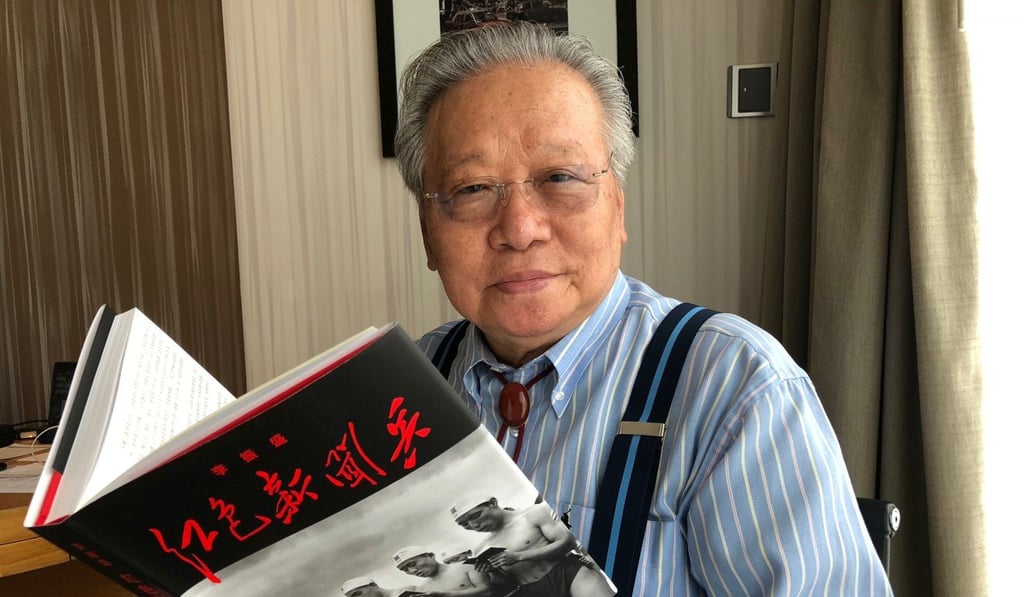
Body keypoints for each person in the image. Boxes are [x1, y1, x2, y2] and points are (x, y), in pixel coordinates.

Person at [395, 21, 894, 596]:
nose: (521, 228)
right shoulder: (406, 382)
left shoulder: (735, 387)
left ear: (617, 206)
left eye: (561, 177)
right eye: (473, 189)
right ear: (428, 234)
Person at [450, 493, 613, 597]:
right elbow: (510, 584)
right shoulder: (482, 548)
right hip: (530, 589)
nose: (474, 525)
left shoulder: (533, 514)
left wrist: (519, 556)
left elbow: (568, 541)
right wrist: (493, 572)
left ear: (492, 503)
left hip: (567, 573)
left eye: (476, 516)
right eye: (465, 525)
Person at [392, 546, 497, 596]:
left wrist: (445, 595)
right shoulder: (422, 589)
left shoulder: (466, 567)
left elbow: (488, 591)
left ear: (430, 556)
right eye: (405, 570)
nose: (412, 570)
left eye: (412, 564)